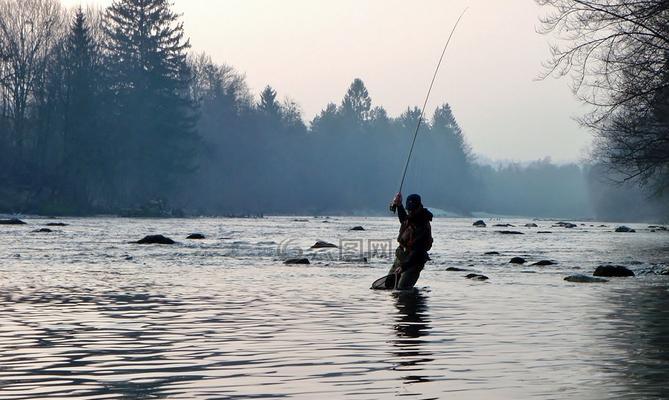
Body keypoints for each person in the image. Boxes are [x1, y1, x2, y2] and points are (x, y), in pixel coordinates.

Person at [387, 193, 433, 289]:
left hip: (414, 261)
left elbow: (416, 251)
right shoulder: (410, 218)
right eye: (409, 209)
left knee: (402, 288)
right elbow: (404, 219)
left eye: (412, 209)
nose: (410, 211)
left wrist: (403, 267)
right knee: (389, 284)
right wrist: (399, 205)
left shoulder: (423, 225)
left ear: (419, 207)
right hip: (401, 256)